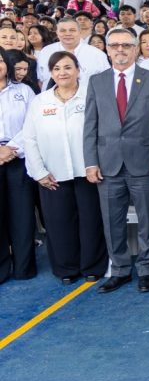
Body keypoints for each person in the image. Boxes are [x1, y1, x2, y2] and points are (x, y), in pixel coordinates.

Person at [84, 28, 149, 294]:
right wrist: (90, 162)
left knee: (147, 220)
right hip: (107, 164)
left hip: (145, 163)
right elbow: (90, 124)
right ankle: (120, 269)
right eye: (114, 45)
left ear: (135, 49)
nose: (120, 50)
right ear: (107, 50)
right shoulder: (96, 81)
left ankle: (146, 269)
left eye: (126, 45)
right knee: (112, 222)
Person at [22, 52, 106, 284]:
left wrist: (97, 164)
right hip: (53, 174)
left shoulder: (91, 96)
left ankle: (93, 266)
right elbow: (29, 138)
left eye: (68, 67)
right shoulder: (40, 101)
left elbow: (102, 133)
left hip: (88, 171)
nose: (62, 73)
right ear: (51, 73)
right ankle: (66, 269)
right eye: (57, 68)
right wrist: (39, 172)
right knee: (59, 223)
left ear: (78, 70)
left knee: (91, 221)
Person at [0, 50, 36, 283]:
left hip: (18, 157)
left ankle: (24, 267)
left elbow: (32, 124)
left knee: (22, 215)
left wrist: (11, 148)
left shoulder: (24, 91)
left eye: (0, 61)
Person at [36, 15, 110, 89]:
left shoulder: (97, 54)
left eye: (72, 30)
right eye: (63, 31)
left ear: (79, 32)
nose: (68, 34)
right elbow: (40, 81)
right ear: (57, 33)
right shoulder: (46, 52)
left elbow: (107, 82)